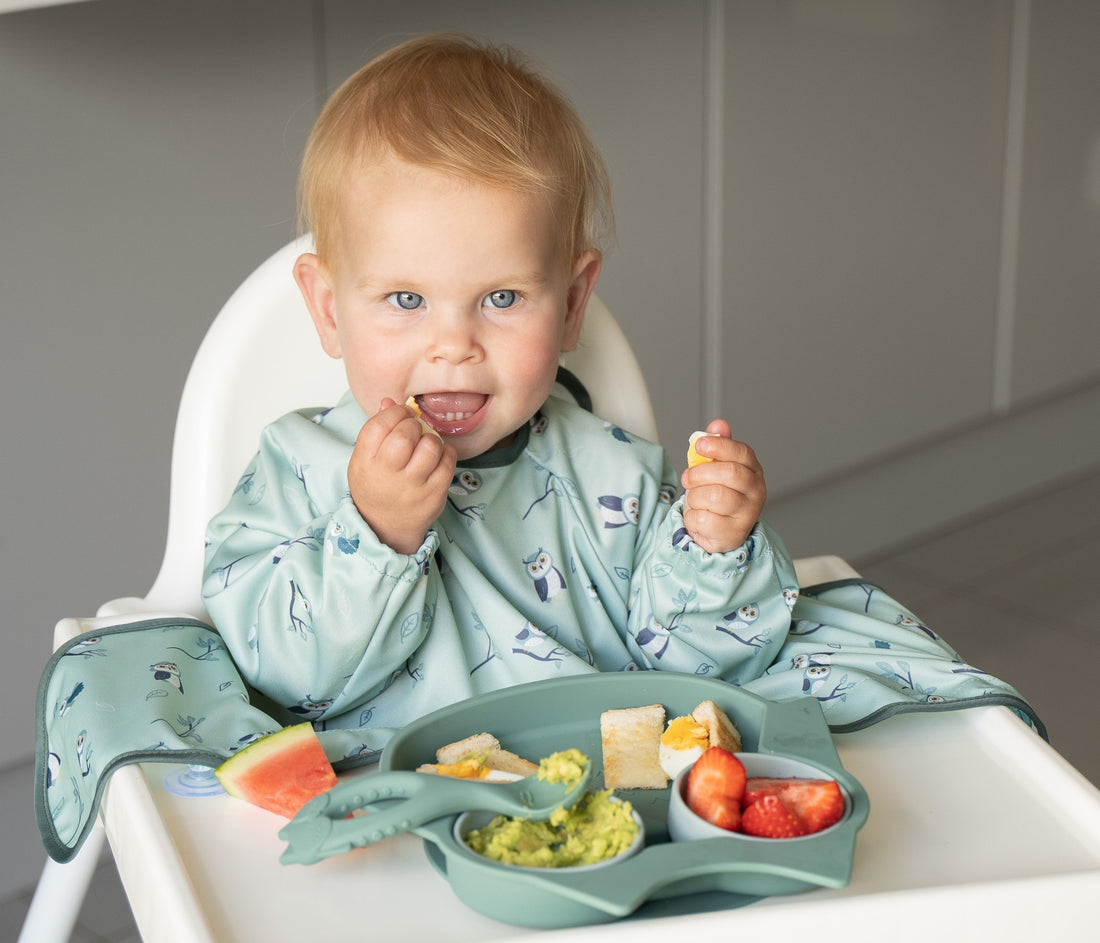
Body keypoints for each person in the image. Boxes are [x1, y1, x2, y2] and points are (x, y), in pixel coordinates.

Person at [201, 34, 799, 758]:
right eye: (406, 297)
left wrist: (714, 546)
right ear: (330, 309)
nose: (453, 344)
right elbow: (282, 677)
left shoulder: (613, 476)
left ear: (572, 304)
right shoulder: (295, 468)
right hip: (392, 804)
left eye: (503, 297)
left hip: (604, 797)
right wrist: (374, 533)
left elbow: (699, 669)